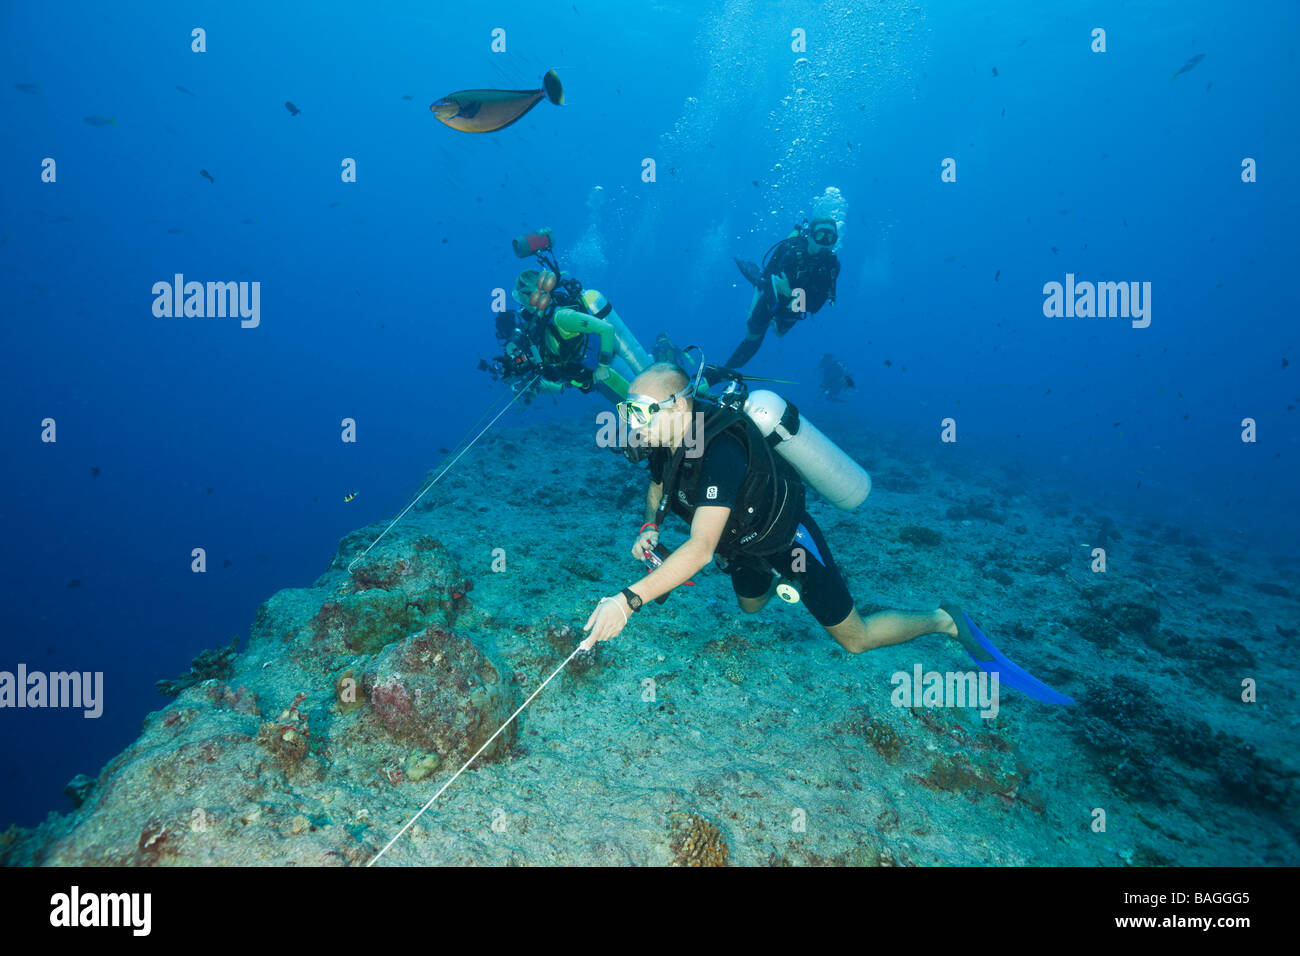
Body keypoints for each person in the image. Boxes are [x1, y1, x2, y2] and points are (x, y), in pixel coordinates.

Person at [578, 362, 1074, 707]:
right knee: (751, 608)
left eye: (642, 411)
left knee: (855, 640)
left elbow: (701, 549)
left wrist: (627, 600)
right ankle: (774, 583)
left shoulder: (719, 449)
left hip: (786, 542)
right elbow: (659, 486)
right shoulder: (666, 439)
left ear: (680, 407)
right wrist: (651, 525)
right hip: (742, 547)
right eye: (629, 411)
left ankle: (945, 620)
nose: (632, 424)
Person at [480, 230, 653, 403]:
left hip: (610, 372)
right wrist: (512, 367)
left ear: (529, 296)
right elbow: (542, 365)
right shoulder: (539, 326)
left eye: (521, 297)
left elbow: (607, 329)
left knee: (648, 404)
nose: (520, 305)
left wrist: (603, 366)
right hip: (595, 380)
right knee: (640, 414)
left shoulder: (561, 317)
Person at [726, 218, 842, 369]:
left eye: (830, 237)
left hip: (796, 305)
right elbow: (767, 277)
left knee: (780, 333)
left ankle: (774, 319)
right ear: (810, 235)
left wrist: (789, 292)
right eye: (821, 235)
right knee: (752, 333)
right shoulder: (790, 250)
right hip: (772, 294)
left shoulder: (832, 266)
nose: (825, 242)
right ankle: (728, 368)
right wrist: (768, 286)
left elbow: (815, 307)